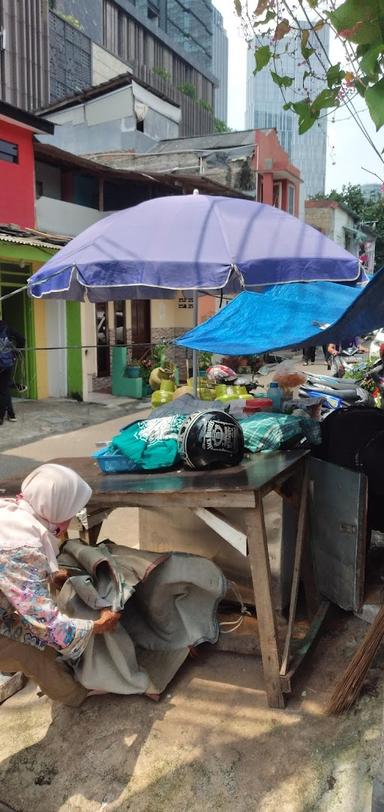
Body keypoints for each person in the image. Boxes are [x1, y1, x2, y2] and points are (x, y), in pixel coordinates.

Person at [0, 464, 121, 706]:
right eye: (69, 515)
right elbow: (49, 626)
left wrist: (48, 576)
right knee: (37, 652)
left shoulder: (10, 514)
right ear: (52, 508)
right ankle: (74, 695)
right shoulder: (21, 548)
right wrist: (98, 626)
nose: (69, 522)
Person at [0, 319, 25, 425]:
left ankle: (1, 417)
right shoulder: (9, 330)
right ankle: (11, 414)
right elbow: (22, 339)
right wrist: (16, 352)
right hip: (7, 363)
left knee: (2, 391)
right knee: (4, 389)